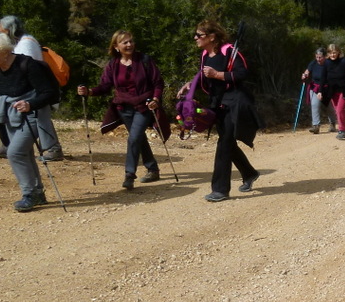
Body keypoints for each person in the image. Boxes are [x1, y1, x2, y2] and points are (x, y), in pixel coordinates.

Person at [177, 20, 262, 202]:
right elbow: (205, 80)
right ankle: (249, 173)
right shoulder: (205, 55)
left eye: (199, 35)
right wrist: (190, 85)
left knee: (224, 144)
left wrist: (217, 74)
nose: (195, 38)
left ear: (211, 37)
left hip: (234, 103)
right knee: (228, 143)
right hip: (218, 104)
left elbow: (242, 74)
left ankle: (220, 189)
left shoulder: (229, 51)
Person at [77, 30, 168, 190]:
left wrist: (155, 99)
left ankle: (129, 174)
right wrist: (89, 92)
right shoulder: (113, 65)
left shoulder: (145, 60)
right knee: (138, 138)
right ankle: (152, 169)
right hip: (123, 108)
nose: (129, 44)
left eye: (131, 41)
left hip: (143, 106)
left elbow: (158, 82)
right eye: (125, 42)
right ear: (116, 46)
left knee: (133, 138)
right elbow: (104, 86)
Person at [0, 32, 61, 212]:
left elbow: (49, 92)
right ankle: (37, 194)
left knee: (15, 153)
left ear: (3, 51)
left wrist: (29, 104)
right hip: (12, 117)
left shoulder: (27, 65)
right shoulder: (0, 69)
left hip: (33, 116)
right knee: (24, 154)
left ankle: (30, 194)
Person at [0, 16, 64, 161]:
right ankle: (12, 146)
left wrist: (5, 71)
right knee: (35, 123)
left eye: (1, 31)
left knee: (42, 120)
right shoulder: (19, 42)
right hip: (26, 93)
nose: (0, 35)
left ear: (9, 30)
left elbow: (25, 68)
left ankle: (53, 149)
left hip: (33, 92)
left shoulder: (26, 43)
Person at [318, 44, 345, 140]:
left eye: (334, 52)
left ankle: (342, 130)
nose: (332, 55)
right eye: (330, 53)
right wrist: (320, 91)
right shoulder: (327, 63)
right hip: (332, 90)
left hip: (344, 89)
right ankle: (342, 130)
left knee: (340, 110)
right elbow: (323, 78)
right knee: (338, 111)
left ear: (338, 52)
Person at [301, 47, 337, 134]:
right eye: (317, 57)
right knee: (314, 104)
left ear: (325, 57)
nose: (318, 59)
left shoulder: (329, 64)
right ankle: (316, 126)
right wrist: (305, 75)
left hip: (327, 88)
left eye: (320, 57)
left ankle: (332, 123)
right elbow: (307, 71)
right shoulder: (313, 63)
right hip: (315, 87)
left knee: (329, 107)